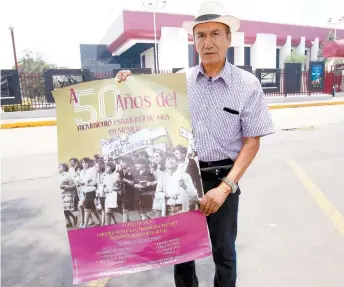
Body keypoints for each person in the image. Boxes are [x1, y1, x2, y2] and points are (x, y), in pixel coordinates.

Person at [115, 0, 275, 286]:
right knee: (181, 255)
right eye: (201, 35)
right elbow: (144, 101)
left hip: (223, 178)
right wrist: (126, 83)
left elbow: (252, 142)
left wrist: (225, 188)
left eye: (215, 34)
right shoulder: (180, 81)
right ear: (194, 41)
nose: (208, 42)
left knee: (224, 253)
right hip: (182, 175)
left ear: (229, 39)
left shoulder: (247, 84)